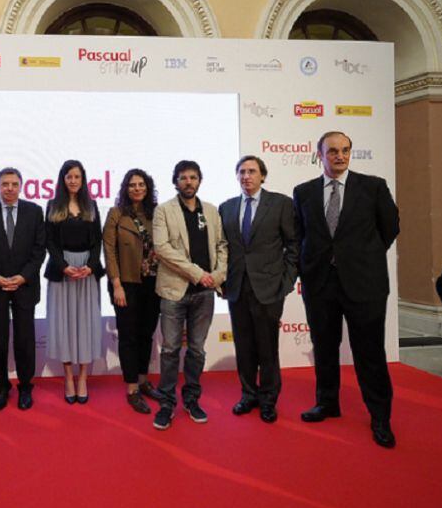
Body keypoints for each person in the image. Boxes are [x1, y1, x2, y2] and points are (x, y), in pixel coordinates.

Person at [294, 131, 400, 448]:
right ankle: (327, 403)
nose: (339, 156)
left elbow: (390, 227)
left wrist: (360, 257)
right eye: (332, 151)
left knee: (369, 354)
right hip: (320, 284)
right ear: (319, 154)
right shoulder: (303, 192)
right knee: (324, 348)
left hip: (365, 284)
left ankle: (380, 416)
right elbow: (301, 235)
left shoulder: (373, 186)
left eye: (345, 150)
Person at [219, 156, 298, 423]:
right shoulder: (226, 208)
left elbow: (294, 245)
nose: (246, 176)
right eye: (241, 171)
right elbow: (222, 249)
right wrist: (221, 280)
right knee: (244, 346)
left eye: (252, 171)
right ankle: (248, 394)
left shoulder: (281, 204)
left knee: (267, 348)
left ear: (263, 176)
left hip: (269, 288)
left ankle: (268, 399)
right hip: (237, 288)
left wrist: (286, 282)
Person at [151, 160, 227, 430]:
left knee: (196, 350)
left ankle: (192, 400)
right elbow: (162, 249)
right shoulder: (163, 211)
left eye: (193, 177)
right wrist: (197, 273)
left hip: (205, 293)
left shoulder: (211, 211)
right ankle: (166, 404)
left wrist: (217, 276)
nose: (188, 182)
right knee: (170, 350)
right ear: (175, 182)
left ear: (199, 181)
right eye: (183, 178)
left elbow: (221, 246)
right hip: (174, 291)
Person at [0, 168, 46, 411]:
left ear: (21, 186)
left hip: (25, 287)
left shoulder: (34, 211)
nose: (10, 188)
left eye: (14, 184)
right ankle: (1, 387)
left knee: (25, 341)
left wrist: (23, 277)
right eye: (5, 184)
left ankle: (25, 387)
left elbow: (39, 250)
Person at [102, 169, 162, 413]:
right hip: (125, 283)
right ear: (125, 189)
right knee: (128, 335)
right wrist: (116, 284)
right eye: (132, 185)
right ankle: (131, 388)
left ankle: (143, 379)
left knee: (146, 334)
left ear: (147, 188)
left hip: (153, 283)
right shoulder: (116, 213)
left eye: (141, 184)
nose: (137, 188)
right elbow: (109, 250)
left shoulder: (157, 213)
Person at [45, 160, 105, 404]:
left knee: (85, 324)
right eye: (68, 176)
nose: (73, 180)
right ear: (63, 179)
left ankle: (83, 378)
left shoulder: (91, 205)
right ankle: (68, 377)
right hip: (63, 272)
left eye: (77, 177)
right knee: (64, 326)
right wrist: (64, 266)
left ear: (83, 180)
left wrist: (90, 266)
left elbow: (97, 241)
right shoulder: (52, 205)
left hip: (87, 272)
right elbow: (49, 241)